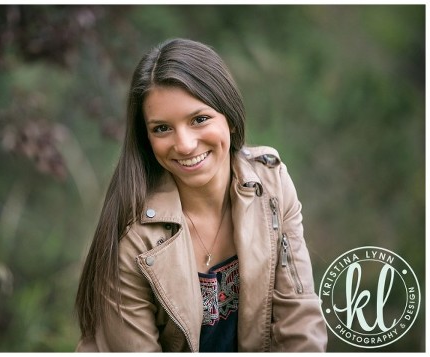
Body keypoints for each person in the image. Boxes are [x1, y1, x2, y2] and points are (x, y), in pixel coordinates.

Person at [74, 39, 327, 352]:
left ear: (230, 118)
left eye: (199, 119)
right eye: (162, 128)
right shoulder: (133, 238)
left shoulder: (271, 185)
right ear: (146, 139)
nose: (184, 144)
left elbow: (299, 321)